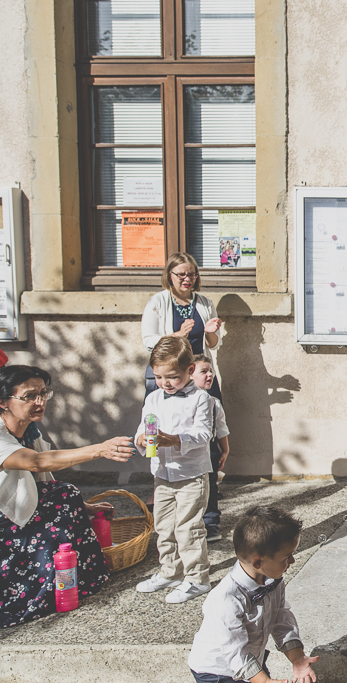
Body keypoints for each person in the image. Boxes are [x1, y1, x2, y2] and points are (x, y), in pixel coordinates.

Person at [0, 365, 134, 627]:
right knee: (63, 497)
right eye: (29, 396)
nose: (40, 402)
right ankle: (38, 590)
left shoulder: (29, 429)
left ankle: (71, 583)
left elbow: (44, 478)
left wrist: (84, 505)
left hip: (17, 510)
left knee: (66, 494)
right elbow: (37, 462)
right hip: (5, 521)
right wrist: (100, 449)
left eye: (43, 393)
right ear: (3, 401)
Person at [188, 505, 318, 683]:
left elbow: (280, 618)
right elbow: (235, 652)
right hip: (218, 671)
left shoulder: (273, 579)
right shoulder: (227, 598)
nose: (293, 561)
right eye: (287, 557)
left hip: (251, 660)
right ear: (258, 561)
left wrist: (297, 658)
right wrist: (263, 681)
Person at [134, 336, 215, 604]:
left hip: (191, 474)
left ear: (190, 370)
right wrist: (142, 440)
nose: (165, 383)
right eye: (159, 377)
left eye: (172, 377)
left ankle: (197, 578)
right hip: (163, 474)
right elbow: (143, 428)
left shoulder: (202, 399)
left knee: (188, 527)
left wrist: (175, 439)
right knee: (164, 525)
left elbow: (203, 434)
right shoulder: (154, 398)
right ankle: (171, 571)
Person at [142, 253, 223, 399]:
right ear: (169, 275)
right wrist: (176, 336)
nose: (187, 279)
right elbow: (148, 342)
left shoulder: (205, 303)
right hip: (173, 375)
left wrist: (209, 332)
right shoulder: (156, 302)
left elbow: (214, 345)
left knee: (209, 417)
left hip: (199, 374)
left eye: (192, 275)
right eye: (181, 275)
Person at [193, 355, 230, 543]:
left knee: (210, 486)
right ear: (189, 374)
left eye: (210, 371)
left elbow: (221, 428)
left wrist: (225, 450)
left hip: (210, 450)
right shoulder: (183, 401)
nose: (209, 375)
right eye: (203, 371)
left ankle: (210, 522)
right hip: (190, 451)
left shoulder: (213, 402)